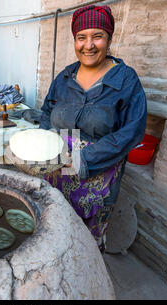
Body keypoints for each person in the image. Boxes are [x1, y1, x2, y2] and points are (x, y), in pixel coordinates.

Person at [39, 5, 147, 253]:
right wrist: (44, 145)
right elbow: (47, 111)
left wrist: (82, 158)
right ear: (75, 40)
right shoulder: (65, 77)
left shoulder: (125, 80)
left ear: (109, 39)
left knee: (84, 240)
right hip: (57, 170)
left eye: (97, 36)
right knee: (55, 223)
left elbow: (131, 132)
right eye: (81, 37)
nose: (88, 45)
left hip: (97, 174)